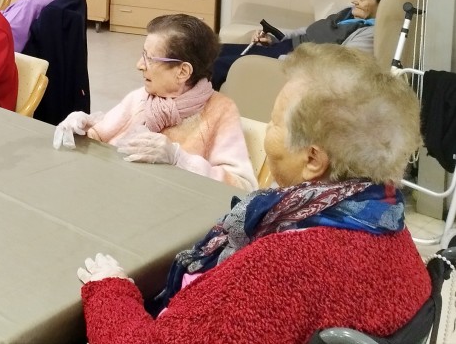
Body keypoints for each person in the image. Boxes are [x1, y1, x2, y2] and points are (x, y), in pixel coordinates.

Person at [77, 44, 430, 343]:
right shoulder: (389, 222)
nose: (265, 133)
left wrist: (109, 289)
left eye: (273, 123)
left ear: (312, 159)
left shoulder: (279, 266)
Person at [54, 14, 257, 191]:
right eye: (143, 55)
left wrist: (179, 159)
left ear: (183, 71)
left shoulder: (220, 111)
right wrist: (81, 127)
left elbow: (243, 187)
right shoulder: (142, 97)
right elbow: (100, 136)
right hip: (118, 193)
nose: (139, 65)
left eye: (150, 58)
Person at [212, 0, 401, 89]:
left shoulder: (369, 34)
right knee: (213, 51)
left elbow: (339, 66)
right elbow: (308, 31)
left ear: (382, 3)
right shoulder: (350, 13)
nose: (354, 0)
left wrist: (281, 58)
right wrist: (275, 38)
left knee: (217, 66)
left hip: (292, 60)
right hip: (285, 47)